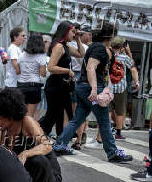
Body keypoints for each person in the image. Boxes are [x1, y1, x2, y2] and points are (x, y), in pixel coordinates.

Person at [52, 22, 133, 163]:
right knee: (104, 120)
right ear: (112, 36)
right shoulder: (99, 48)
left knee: (78, 119)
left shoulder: (96, 47)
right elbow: (91, 68)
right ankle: (112, 152)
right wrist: (95, 89)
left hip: (83, 87)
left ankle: (59, 145)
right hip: (90, 88)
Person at [0, 88, 61, 182]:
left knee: (37, 160)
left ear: (10, 114)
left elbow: (47, 146)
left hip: (48, 179)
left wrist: (26, 153)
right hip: (28, 178)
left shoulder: (27, 121)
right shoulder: (3, 131)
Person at [39, 21, 85, 138]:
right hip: (55, 85)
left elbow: (81, 54)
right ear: (65, 31)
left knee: (60, 115)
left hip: (61, 86)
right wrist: (68, 71)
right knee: (53, 115)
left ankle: (59, 141)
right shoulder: (59, 46)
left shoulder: (66, 45)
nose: (74, 35)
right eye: (72, 32)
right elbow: (51, 67)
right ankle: (37, 134)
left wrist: (78, 39)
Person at [110, 37, 138, 140]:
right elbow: (132, 65)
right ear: (122, 46)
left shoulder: (109, 55)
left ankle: (106, 131)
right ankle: (118, 133)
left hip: (108, 87)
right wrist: (129, 52)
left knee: (108, 110)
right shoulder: (124, 58)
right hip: (121, 88)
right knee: (120, 111)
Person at [70, 25, 92, 149]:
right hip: (83, 76)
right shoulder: (86, 48)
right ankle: (80, 136)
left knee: (74, 109)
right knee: (82, 109)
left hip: (73, 74)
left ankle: (76, 137)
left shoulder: (69, 45)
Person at [17, 34, 47, 118]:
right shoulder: (41, 56)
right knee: (30, 115)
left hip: (21, 86)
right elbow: (43, 73)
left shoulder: (22, 55)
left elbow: (18, 70)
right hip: (33, 87)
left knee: (22, 114)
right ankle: (27, 131)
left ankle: (21, 130)